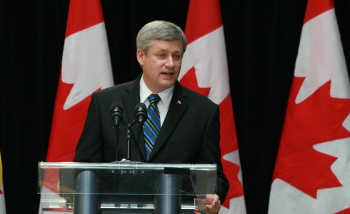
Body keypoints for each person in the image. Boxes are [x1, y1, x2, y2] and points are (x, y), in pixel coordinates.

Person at [74, 20, 229, 214]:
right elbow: (83, 169)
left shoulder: (203, 111)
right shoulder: (106, 102)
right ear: (141, 55)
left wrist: (212, 194)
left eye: (177, 56)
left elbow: (214, 177)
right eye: (162, 55)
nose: (170, 64)